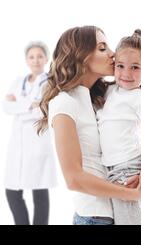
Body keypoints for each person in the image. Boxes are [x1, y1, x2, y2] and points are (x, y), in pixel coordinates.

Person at [37, 26, 141, 225]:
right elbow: (74, 179)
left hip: (117, 212)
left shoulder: (99, 100)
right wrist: (128, 194)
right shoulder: (64, 104)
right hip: (96, 217)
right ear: (81, 55)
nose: (113, 54)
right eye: (103, 48)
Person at [97, 29, 141, 225]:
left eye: (135, 68)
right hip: (112, 166)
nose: (126, 74)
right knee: (138, 214)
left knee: (128, 218)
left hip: (128, 165)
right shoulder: (110, 90)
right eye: (121, 66)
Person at [2, 41, 57, 225]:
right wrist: (30, 104)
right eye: (32, 57)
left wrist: (21, 104)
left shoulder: (50, 81)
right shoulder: (19, 81)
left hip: (38, 142)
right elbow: (6, 107)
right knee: (12, 191)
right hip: (18, 144)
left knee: (39, 190)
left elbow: (44, 110)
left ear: (46, 59)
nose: (36, 60)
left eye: (40, 56)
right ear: (26, 60)